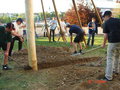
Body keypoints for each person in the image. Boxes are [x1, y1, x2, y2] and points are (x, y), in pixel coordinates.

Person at [102, 11, 120, 81]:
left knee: (110, 58)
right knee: (117, 56)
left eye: (104, 17)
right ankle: (116, 70)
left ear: (106, 16)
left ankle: (108, 77)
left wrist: (103, 44)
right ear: (111, 15)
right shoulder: (118, 20)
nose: (104, 19)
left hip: (112, 42)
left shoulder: (106, 23)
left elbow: (105, 35)